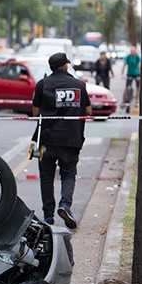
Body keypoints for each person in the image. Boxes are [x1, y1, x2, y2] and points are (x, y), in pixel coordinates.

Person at [31, 52, 92, 229]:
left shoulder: (43, 84)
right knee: (68, 174)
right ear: (66, 65)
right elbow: (88, 111)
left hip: (47, 139)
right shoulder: (79, 85)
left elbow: (35, 113)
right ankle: (65, 205)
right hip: (71, 139)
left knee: (46, 177)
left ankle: (48, 216)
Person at [120, 45, 141, 110]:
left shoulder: (137, 57)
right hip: (129, 74)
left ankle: (137, 100)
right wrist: (122, 74)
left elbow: (139, 65)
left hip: (137, 74)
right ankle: (124, 100)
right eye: (131, 51)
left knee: (138, 87)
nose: (133, 52)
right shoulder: (128, 57)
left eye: (134, 51)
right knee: (127, 87)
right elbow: (124, 65)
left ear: (135, 51)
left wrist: (140, 74)